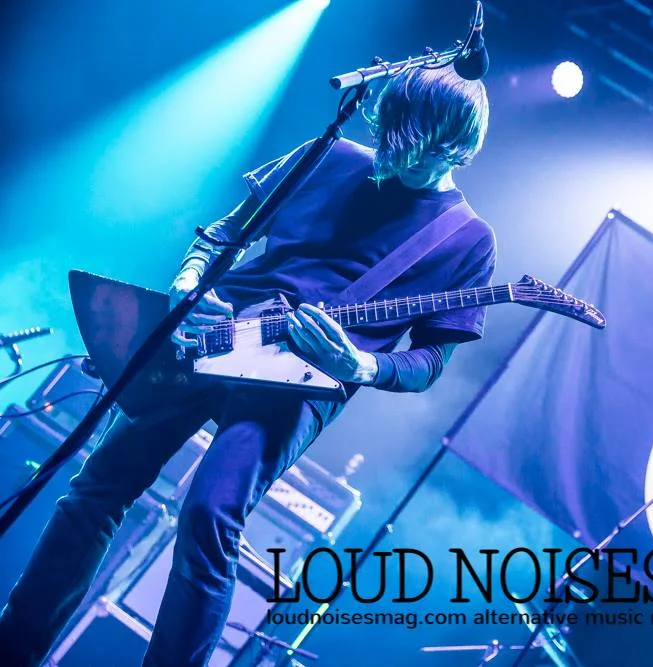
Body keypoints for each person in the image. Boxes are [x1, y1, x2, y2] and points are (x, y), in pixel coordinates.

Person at [0, 64, 495, 666]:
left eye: (423, 154)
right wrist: (188, 290)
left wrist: (361, 365)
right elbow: (222, 235)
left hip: (303, 382)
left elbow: (430, 360)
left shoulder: (467, 239)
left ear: (462, 147)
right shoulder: (329, 155)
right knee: (98, 487)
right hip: (210, 338)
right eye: (394, 141)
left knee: (210, 515)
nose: (401, 161)